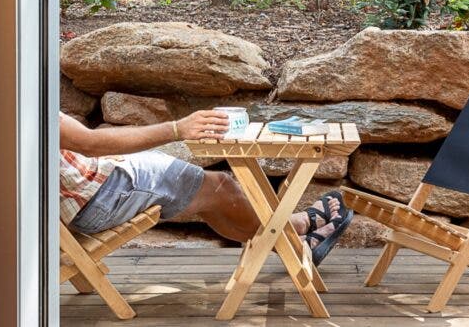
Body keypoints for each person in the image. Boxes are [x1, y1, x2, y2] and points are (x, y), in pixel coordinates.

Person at [59, 110, 352, 264]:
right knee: (220, 186)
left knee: (208, 196)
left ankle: (292, 232)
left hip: (97, 187)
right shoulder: (18, 95)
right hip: (101, 196)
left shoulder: (16, 87)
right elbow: (90, 143)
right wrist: (177, 129)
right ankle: (295, 241)